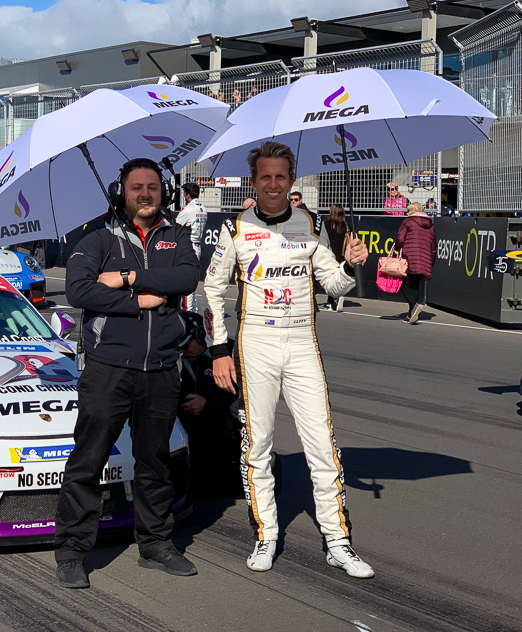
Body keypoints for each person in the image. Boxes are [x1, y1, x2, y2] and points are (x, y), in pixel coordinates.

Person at [203, 141, 374, 578]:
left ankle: (338, 541)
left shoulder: (311, 224)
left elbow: (334, 286)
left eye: (281, 177)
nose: (274, 184)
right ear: (254, 181)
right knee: (257, 445)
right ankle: (266, 535)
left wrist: (352, 266)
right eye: (266, 177)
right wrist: (220, 350)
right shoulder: (234, 229)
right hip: (255, 342)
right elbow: (213, 289)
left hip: (302, 342)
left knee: (322, 444)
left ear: (292, 181)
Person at [54, 157, 200, 589]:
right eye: (136, 187)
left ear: (164, 193)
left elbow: (186, 278)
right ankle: (71, 551)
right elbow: (81, 290)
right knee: (88, 460)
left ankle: (155, 545)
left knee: (154, 463)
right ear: (122, 192)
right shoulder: (97, 238)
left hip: (161, 370)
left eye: (153, 187)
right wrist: (138, 302)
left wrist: (128, 277)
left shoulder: (177, 235)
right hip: (108, 370)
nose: (145, 194)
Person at [177, 311, 241, 500]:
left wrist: (208, 405)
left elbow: (247, 401)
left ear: (201, 335)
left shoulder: (230, 353)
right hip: (188, 434)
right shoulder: (176, 356)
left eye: (186, 345)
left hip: (223, 431)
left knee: (223, 489)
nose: (183, 351)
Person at [394, 202, 437, 324]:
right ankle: (411, 314)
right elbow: (434, 248)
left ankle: (413, 306)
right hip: (424, 259)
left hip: (409, 257)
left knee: (402, 284)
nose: (407, 213)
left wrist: (397, 248)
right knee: (414, 285)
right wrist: (431, 262)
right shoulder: (431, 226)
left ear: (412, 211)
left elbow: (400, 240)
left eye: (408, 211)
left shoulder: (407, 222)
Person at [175, 183, 208, 312]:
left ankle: (189, 312)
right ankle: (191, 310)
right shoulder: (203, 208)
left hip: (188, 247)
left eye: (184, 193)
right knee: (192, 280)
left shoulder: (188, 210)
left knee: (186, 281)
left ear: (187, 195)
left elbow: (176, 227)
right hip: (197, 246)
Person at [321, 204, 351, 312]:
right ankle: (339, 296)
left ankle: (329, 302)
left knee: (330, 278)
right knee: (339, 278)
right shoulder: (346, 226)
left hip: (330, 254)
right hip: (342, 256)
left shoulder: (326, 224)